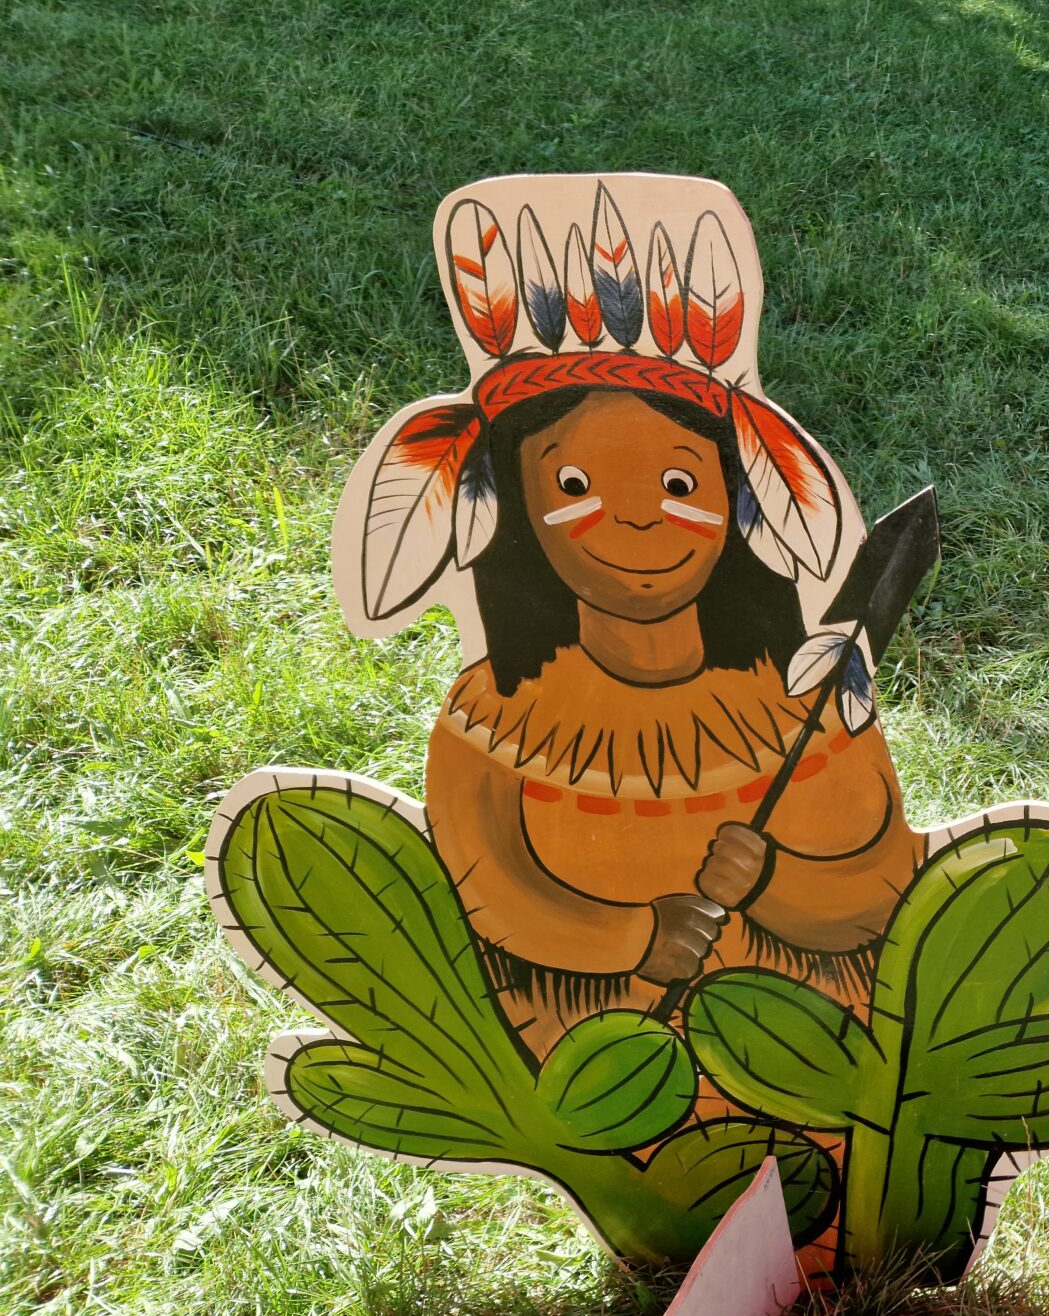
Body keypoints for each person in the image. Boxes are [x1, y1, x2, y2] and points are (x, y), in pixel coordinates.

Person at [359, 181, 924, 1053]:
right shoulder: (491, 721)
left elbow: (884, 882)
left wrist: (775, 883)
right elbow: (488, 888)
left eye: (680, 483)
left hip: (809, 1060)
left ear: (737, 503)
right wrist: (631, 939)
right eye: (574, 485)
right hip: (589, 1067)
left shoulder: (806, 701)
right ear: (521, 514)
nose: (637, 518)